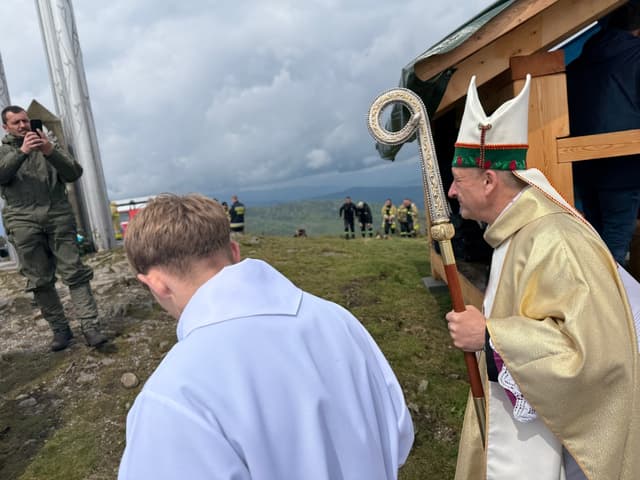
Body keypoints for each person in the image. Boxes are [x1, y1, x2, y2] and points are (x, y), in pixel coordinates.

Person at [118, 193, 414, 479]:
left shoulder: (172, 395)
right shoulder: (338, 320)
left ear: (156, 284)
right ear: (235, 252)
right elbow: (399, 437)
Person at [446, 75, 639, 479]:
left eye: (458, 180)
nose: (451, 191)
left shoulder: (556, 241)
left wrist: (490, 337)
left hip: (566, 456)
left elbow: (595, 354)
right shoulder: (518, 231)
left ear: (489, 180)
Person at [0, 106, 107, 351]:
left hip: (57, 215)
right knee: (39, 280)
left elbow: (74, 173)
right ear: (6, 127)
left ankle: (90, 327)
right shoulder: (3, 152)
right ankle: (60, 330)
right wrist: (23, 152)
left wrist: (49, 151)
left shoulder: (49, 146)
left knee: (74, 271)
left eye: (25, 120)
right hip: (22, 219)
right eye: (16, 123)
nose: (23, 126)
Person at [566, 2, 640, 266]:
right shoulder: (636, 56)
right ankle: (606, 291)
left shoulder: (583, 59)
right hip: (625, 169)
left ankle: (594, 286)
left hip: (585, 168)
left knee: (597, 240)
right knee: (615, 246)